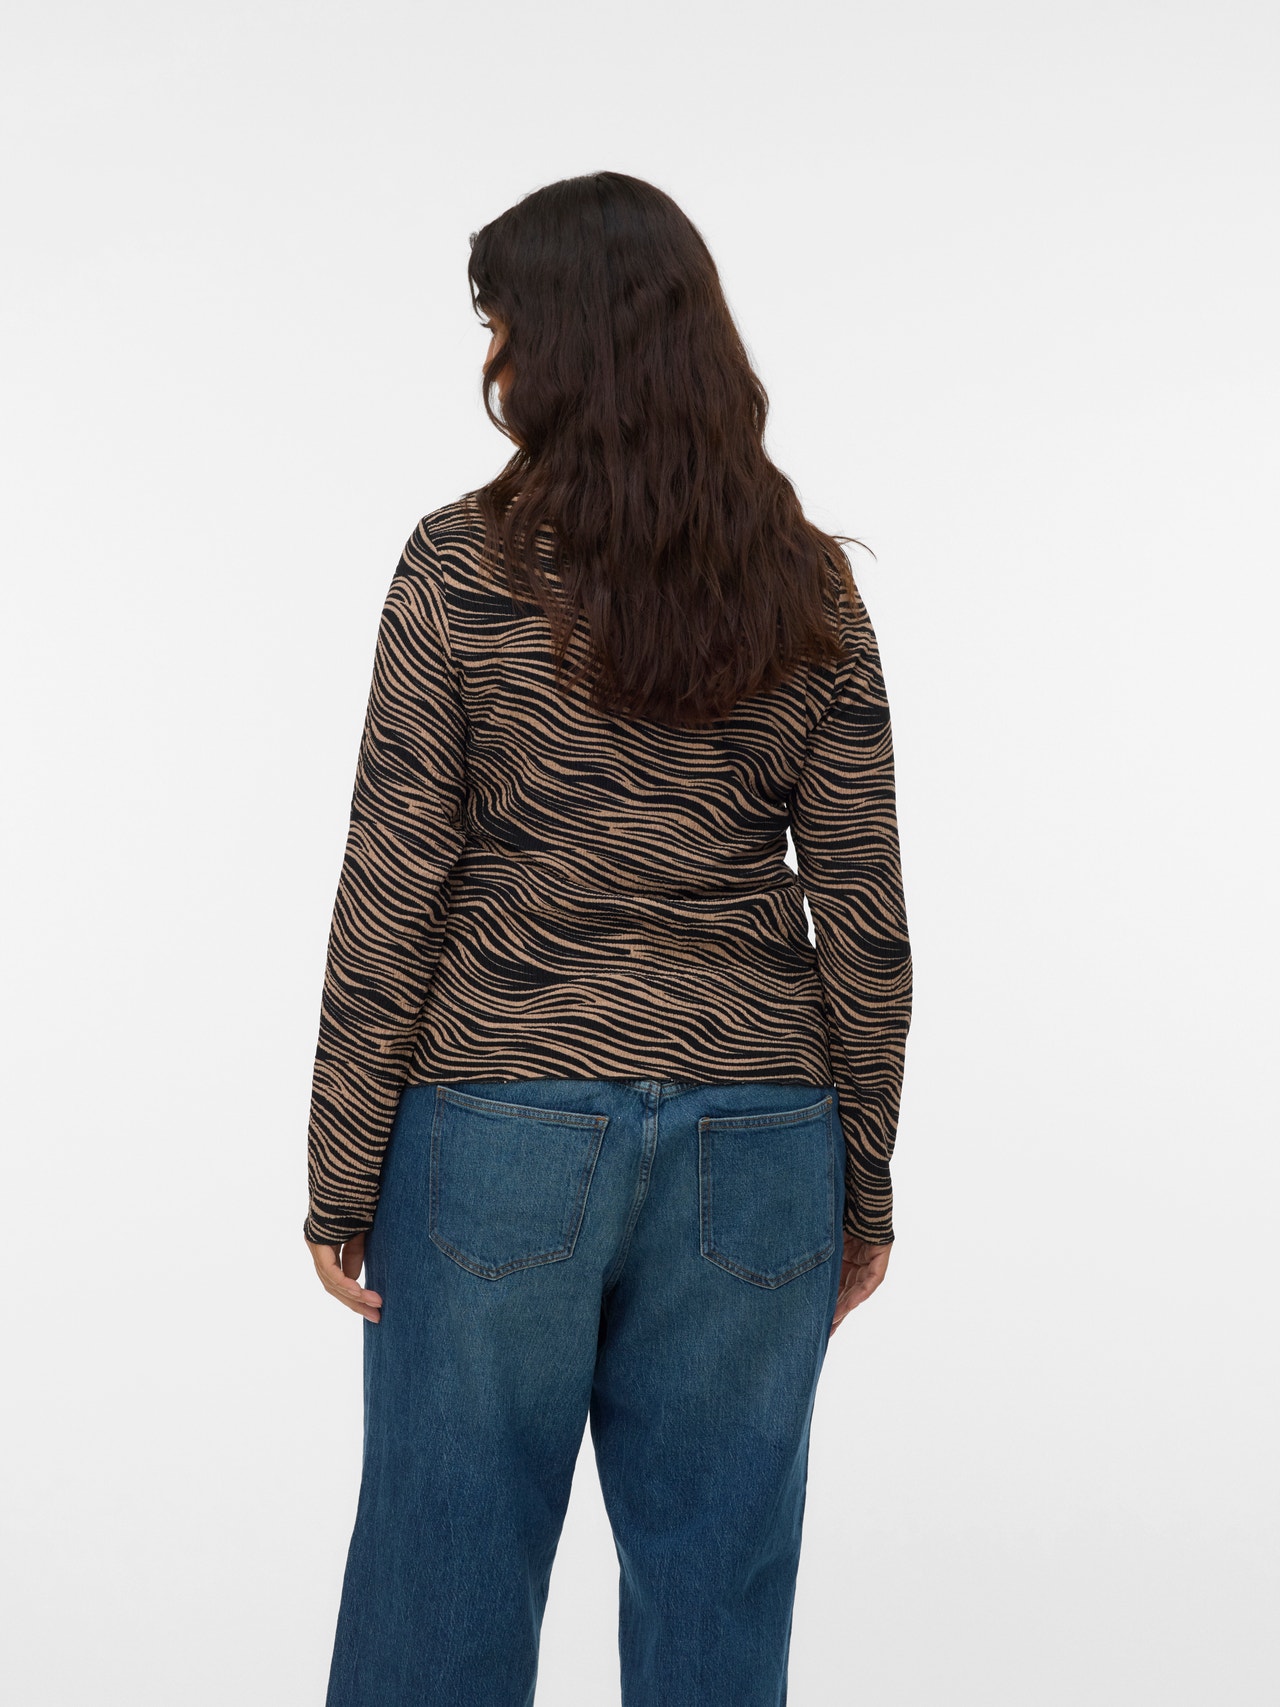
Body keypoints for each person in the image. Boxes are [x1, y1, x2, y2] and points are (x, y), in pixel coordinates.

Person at [303, 170, 913, 1707]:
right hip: (761, 1141)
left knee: (445, 1580)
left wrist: (340, 1171)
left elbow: (395, 884)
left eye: (500, 321)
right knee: (720, 1597)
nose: (492, 354)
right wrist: (863, 1181)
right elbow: (866, 914)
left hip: (498, 1124)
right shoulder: (809, 585)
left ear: (554, 342)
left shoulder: (460, 564)